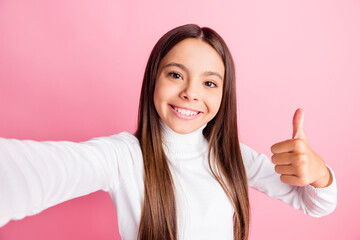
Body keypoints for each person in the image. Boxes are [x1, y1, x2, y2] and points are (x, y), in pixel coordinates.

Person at [0, 24, 337, 240]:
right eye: (176, 75)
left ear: (224, 95)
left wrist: (319, 173)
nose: (191, 93)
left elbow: (315, 204)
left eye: (209, 83)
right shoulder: (124, 156)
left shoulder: (232, 157)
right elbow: (26, 171)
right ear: (154, 80)